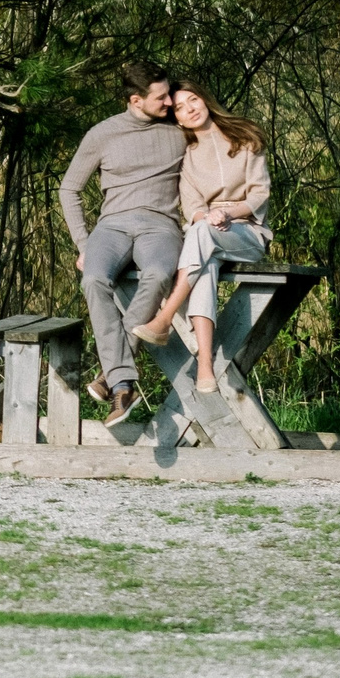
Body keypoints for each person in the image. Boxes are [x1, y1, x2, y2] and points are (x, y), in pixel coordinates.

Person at [57, 62, 185, 421]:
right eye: (160, 98)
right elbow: (69, 189)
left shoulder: (179, 130)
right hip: (111, 227)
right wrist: (83, 243)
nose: (169, 102)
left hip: (160, 225)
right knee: (94, 279)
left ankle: (115, 377)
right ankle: (123, 383)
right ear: (135, 100)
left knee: (159, 273)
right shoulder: (102, 134)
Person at [130, 77, 272, 394]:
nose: (189, 109)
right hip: (206, 230)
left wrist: (227, 214)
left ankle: (164, 318)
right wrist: (206, 217)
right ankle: (205, 365)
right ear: (176, 118)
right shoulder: (187, 156)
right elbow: (192, 205)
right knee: (203, 262)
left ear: (204, 99)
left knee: (201, 234)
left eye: (192, 99)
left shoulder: (245, 136)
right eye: (179, 108)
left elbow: (259, 194)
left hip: (246, 231)